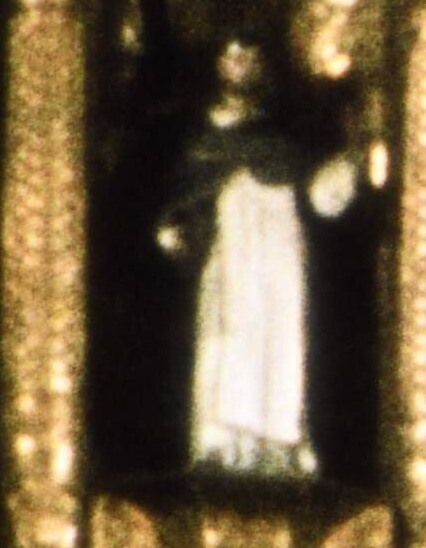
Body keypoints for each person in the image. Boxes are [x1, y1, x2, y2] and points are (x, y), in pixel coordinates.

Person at [153, 33, 363, 481]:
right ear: (216, 65)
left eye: (250, 57)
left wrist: (349, 161)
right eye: (232, 57)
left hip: (279, 241)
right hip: (229, 244)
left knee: (282, 332)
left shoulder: (285, 134)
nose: (241, 66)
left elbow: (320, 194)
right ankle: (224, 442)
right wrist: (174, 228)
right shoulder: (200, 134)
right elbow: (181, 197)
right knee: (229, 334)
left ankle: (277, 441)